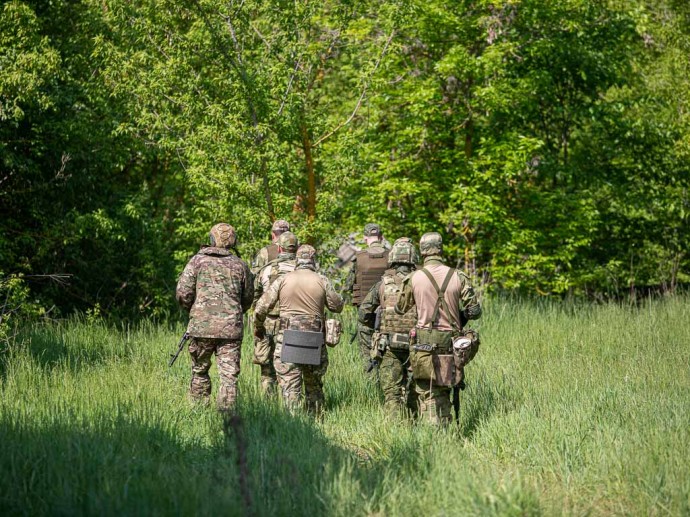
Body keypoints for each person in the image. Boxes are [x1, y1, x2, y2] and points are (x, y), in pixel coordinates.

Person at [395, 232, 481, 426]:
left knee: (427, 389)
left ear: (423, 252)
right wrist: (460, 317)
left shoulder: (414, 277)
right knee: (445, 387)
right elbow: (474, 311)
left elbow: (400, 309)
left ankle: (432, 428)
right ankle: (442, 426)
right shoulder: (458, 276)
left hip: (423, 344)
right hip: (451, 344)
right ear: (440, 249)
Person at [254, 245, 344, 415]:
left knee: (289, 388)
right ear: (313, 260)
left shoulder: (283, 279)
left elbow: (260, 308)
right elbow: (337, 306)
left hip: (288, 340)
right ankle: (316, 422)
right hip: (314, 341)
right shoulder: (322, 280)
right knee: (314, 387)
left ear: (297, 259)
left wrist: (258, 327)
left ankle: (293, 424)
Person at [176, 223, 253, 410]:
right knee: (229, 378)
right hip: (231, 329)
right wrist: (234, 313)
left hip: (201, 328)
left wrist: (196, 311)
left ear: (211, 239)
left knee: (200, 371)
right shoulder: (240, 265)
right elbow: (248, 297)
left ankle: (199, 410)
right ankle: (227, 419)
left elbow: (182, 293)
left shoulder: (196, 261)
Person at [358, 237, 420, 416]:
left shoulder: (382, 284)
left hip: (389, 345)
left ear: (392, 258)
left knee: (392, 394)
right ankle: (414, 423)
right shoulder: (422, 282)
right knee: (415, 391)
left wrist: (376, 325)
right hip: (417, 344)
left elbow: (363, 314)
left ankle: (395, 431)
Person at [252, 231, 298, 395]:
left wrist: (257, 323)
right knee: (292, 364)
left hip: (269, 322)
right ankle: (290, 398)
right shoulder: (303, 270)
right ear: (296, 249)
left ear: (279, 249)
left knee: (267, 365)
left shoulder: (267, 269)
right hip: (295, 323)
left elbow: (256, 296)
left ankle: (268, 400)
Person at [344, 223, 389, 366]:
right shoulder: (391, 256)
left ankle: (371, 382)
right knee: (388, 353)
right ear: (381, 237)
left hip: (366, 314)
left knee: (367, 354)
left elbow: (348, 286)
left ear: (365, 238)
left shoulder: (359, 258)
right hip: (388, 312)